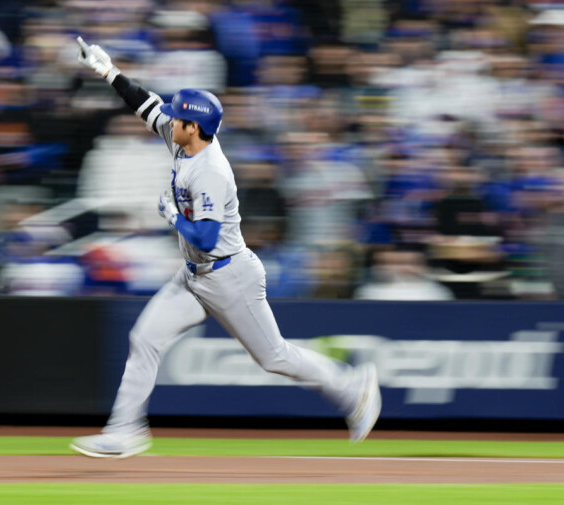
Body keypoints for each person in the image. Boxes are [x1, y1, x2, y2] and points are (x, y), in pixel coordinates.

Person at [70, 37, 381, 459]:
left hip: (229, 275)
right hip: (193, 277)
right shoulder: (183, 139)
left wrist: (172, 217)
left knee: (274, 357)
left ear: (193, 127)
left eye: (178, 117)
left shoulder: (211, 171)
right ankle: (126, 431)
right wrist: (107, 70)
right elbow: (144, 103)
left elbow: (207, 237)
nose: (170, 118)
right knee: (144, 339)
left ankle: (351, 387)